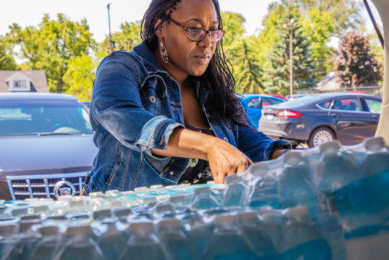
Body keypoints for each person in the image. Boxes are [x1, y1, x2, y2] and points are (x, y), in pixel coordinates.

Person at [84, 0, 291, 193]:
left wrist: (284, 157)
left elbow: (247, 139)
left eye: (213, 31)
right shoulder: (121, 67)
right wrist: (210, 146)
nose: (207, 42)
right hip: (121, 224)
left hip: (194, 226)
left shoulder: (212, 89)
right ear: (161, 27)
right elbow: (124, 118)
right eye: (195, 30)